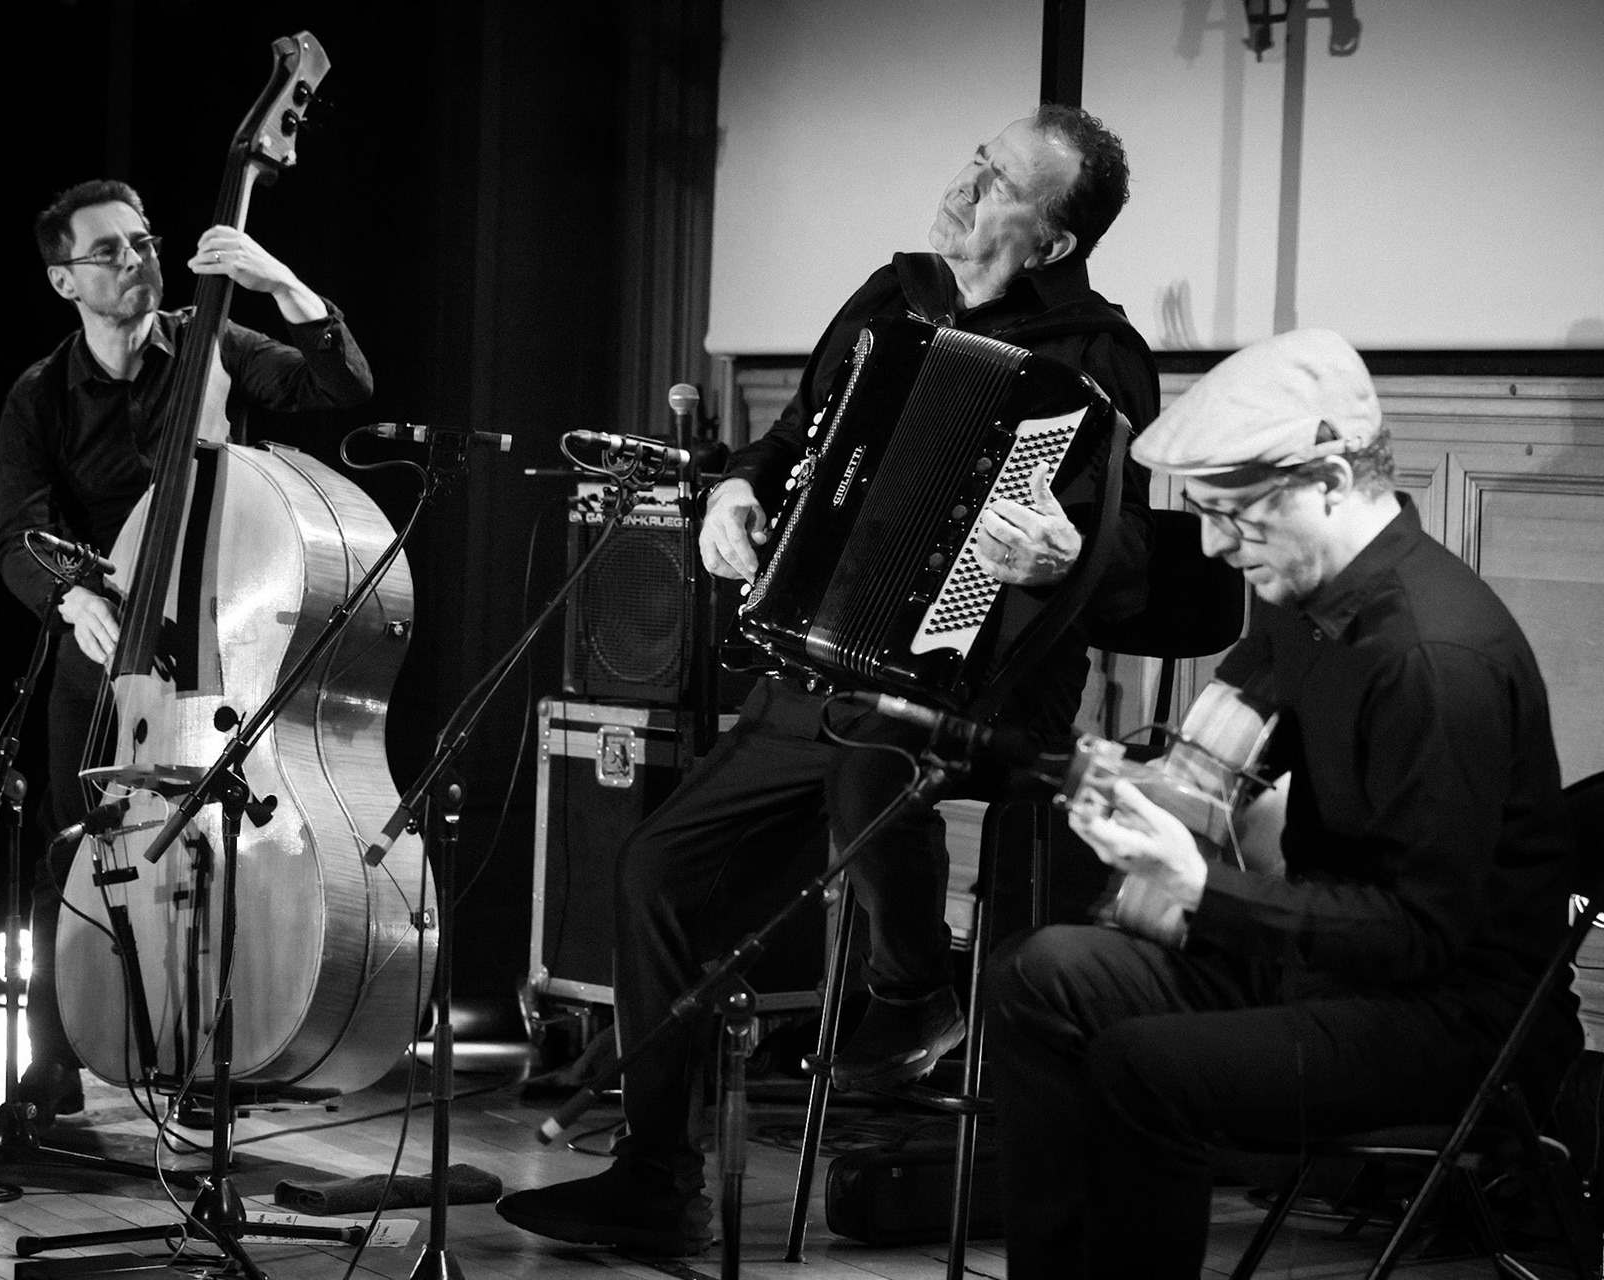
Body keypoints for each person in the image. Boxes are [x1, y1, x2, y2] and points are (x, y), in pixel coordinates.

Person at [497, 103, 1160, 1257]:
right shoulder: (889, 299)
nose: (961, 184)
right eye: (972, 155)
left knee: (875, 745)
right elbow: (792, 437)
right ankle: (657, 1173)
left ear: (1053, 241)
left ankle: (913, 990)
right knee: (657, 868)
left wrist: (1065, 553)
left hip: (982, 681)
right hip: (822, 658)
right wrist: (735, 492)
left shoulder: (1095, 358)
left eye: (996, 179)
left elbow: (1130, 558)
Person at [985, 327, 1581, 1278]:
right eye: (1207, 514)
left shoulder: (1435, 661)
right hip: (1331, 973)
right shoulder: (1298, 594)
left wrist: (1199, 888)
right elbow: (1216, 773)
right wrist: (1131, 797)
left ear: (1334, 482)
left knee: (1144, 1070)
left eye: (1237, 513)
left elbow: (1422, 932)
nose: (1217, 546)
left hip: (1448, 1020)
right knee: (1041, 974)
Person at [0, 178, 374, 1123]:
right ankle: (57, 1056)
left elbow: (343, 385)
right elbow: (16, 536)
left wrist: (284, 285)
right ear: (62, 281)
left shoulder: (218, 346)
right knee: (74, 849)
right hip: (101, 648)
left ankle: (210, 1052)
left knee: (216, 856)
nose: (138, 259)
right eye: (110, 250)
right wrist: (69, 596)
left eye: (143, 240)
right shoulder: (39, 396)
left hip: (215, 650)